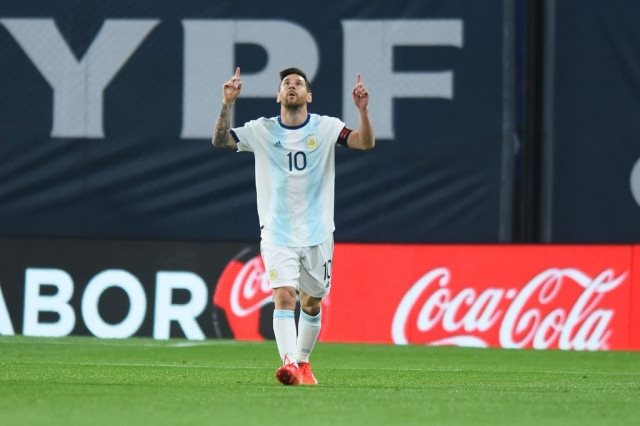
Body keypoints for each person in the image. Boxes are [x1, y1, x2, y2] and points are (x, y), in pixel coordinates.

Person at [212, 66, 375, 385]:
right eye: (286, 83)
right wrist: (227, 103)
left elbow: (364, 143)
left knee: (312, 303)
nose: (291, 86)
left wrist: (363, 112)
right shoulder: (261, 130)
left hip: (317, 234)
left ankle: (303, 362)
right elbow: (221, 141)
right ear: (278, 95)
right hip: (277, 233)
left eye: (298, 83)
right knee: (284, 296)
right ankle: (288, 363)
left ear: (308, 96)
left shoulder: (327, 128)